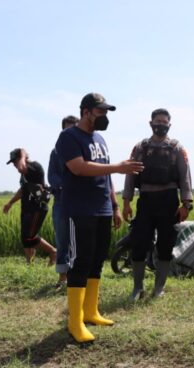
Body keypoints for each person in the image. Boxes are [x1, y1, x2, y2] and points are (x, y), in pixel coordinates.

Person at [55, 93, 144, 343]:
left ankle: (91, 312)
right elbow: (78, 167)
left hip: (102, 208)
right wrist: (118, 167)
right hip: (79, 209)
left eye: (106, 112)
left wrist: (114, 206)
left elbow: (105, 177)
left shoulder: (100, 139)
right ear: (86, 112)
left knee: (96, 261)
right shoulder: (69, 137)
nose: (104, 117)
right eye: (100, 112)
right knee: (80, 262)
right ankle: (75, 322)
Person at [122, 108, 193, 300]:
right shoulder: (140, 148)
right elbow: (130, 175)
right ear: (151, 123)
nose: (161, 125)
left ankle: (159, 288)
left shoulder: (177, 148)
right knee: (139, 243)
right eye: (157, 121)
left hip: (169, 200)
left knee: (165, 245)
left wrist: (186, 204)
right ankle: (138, 287)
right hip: (145, 201)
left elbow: (185, 177)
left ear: (169, 125)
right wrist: (126, 202)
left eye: (164, 122)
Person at [3, 148, 57, 265]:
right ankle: (29, 264)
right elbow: (23, 190)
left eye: (15, 162)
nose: (15, 165)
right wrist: (10, 203)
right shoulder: (24, 174)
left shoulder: (34, 167)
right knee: (25, 238)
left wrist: (22, 155)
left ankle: (53, 252)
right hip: (27, 208)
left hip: (37, 208)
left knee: (29, 237)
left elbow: (22, 167)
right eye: (13, 163)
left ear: (23, 159)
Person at [48, 115, 79, 289]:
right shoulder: (56, 152)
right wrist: (64, 186)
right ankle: (62, 278)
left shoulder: (82, 149)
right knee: (62, 239)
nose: (69, 132)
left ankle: (78, 277)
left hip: (81, 201)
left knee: (81, 241)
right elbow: (52, 176)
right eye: (66, 129)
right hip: (61, 200)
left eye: (72, 128)